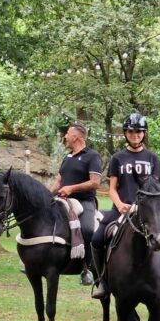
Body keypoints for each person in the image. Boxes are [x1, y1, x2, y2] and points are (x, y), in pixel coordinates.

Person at [91, 113, 160, 299]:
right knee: (97, 238)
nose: (136, 135)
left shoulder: (152, 158)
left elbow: (158, 188)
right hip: (122, 208)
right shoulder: (118, 158)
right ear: (125, 133)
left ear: (144, 134)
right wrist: (119, 205)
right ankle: (102, 281)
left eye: (139, 132)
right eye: (132, 131)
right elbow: (111, 189)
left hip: (149, 211)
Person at [48, 121, 102, 286]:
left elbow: (95, 182)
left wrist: (72, 188)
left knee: (87, 229)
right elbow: (58, 182)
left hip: (84, 201)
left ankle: (87, 269)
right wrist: (46, 197)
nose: (65, 136)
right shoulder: (67, 157)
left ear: (76, 137)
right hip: (62, 201)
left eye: (67, 134)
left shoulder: (92, 156)